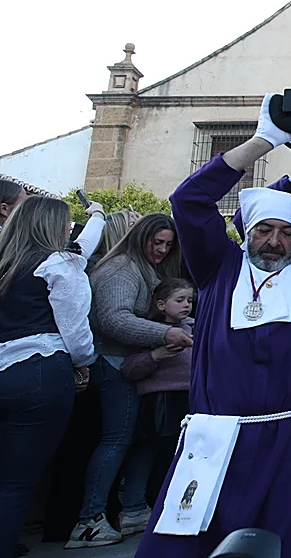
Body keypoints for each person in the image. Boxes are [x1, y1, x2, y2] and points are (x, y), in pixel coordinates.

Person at [134, 97, 291, 558]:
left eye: (287, 232)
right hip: (214, 438)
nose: (274, 241)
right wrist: (265, 140)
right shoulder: (218, 267)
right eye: (264, 229)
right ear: (248, 232)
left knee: (285, 544)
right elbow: (189, 200)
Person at [72, 213, 187, 546]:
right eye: (157, 242)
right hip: (112, 364)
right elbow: (114, 319)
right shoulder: (122, 269)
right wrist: (167, 333)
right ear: (140, 238)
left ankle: (133, 509)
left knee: (138, 441)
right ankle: (89, 521)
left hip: (127, 364)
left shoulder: (141, 267)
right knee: (117, 440)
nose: (162, 250)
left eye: (168, 244)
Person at [0, 196, 99, 558]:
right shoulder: (58, 262)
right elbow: (75, 328)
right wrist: (84, 363)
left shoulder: (5, 262)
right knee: (17, 479)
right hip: (39, 369)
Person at [118, 279, 195, 536]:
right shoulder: (150, 332)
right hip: (159, 401)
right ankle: (136, 507)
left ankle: (176, 506)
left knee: (178, 456)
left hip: (188, 399)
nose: (186, 305)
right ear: (161, 305)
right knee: (149, 454)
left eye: (189, 300)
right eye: (179, 300)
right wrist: (155, 356)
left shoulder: (194, 329)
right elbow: (130, 368)